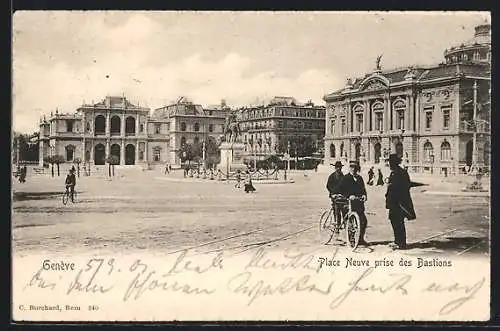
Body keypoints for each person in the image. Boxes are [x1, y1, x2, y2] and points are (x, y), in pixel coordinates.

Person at [385, 154, 416, 250]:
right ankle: (397, 241)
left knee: (399, 223)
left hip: (399, 203)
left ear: (394, 163)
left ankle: (401, 243)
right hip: (393, 203)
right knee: (394, 222)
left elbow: (406, 186)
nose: (389, 164)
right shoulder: (394, 172)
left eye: (390, 162)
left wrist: (392, 187)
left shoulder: (401, 172)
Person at [336, 160, 369, 246]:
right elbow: (339, 189)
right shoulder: (345, 178)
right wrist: (349, 195)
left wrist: (364, 195)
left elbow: (363, 189)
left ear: (358, 168)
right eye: (351, 167)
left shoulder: (359, 178)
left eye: (355, 167)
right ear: (349, 168)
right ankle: (351, 240)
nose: (353, 169)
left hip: (358, 204)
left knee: (363, 221)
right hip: (348, 203)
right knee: (350, 223)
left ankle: (360, 239)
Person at [326, 161, 345, 233]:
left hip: (341, 196)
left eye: (340, 167)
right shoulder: (332, 176)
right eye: (337, 167)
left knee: (344, 210)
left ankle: (345, 223)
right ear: (335, 168)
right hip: (334, 195)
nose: (338, 169)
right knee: (336, 210)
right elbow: (328, 186)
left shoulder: (343, 176)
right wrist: (333, 193)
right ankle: (337, 224)